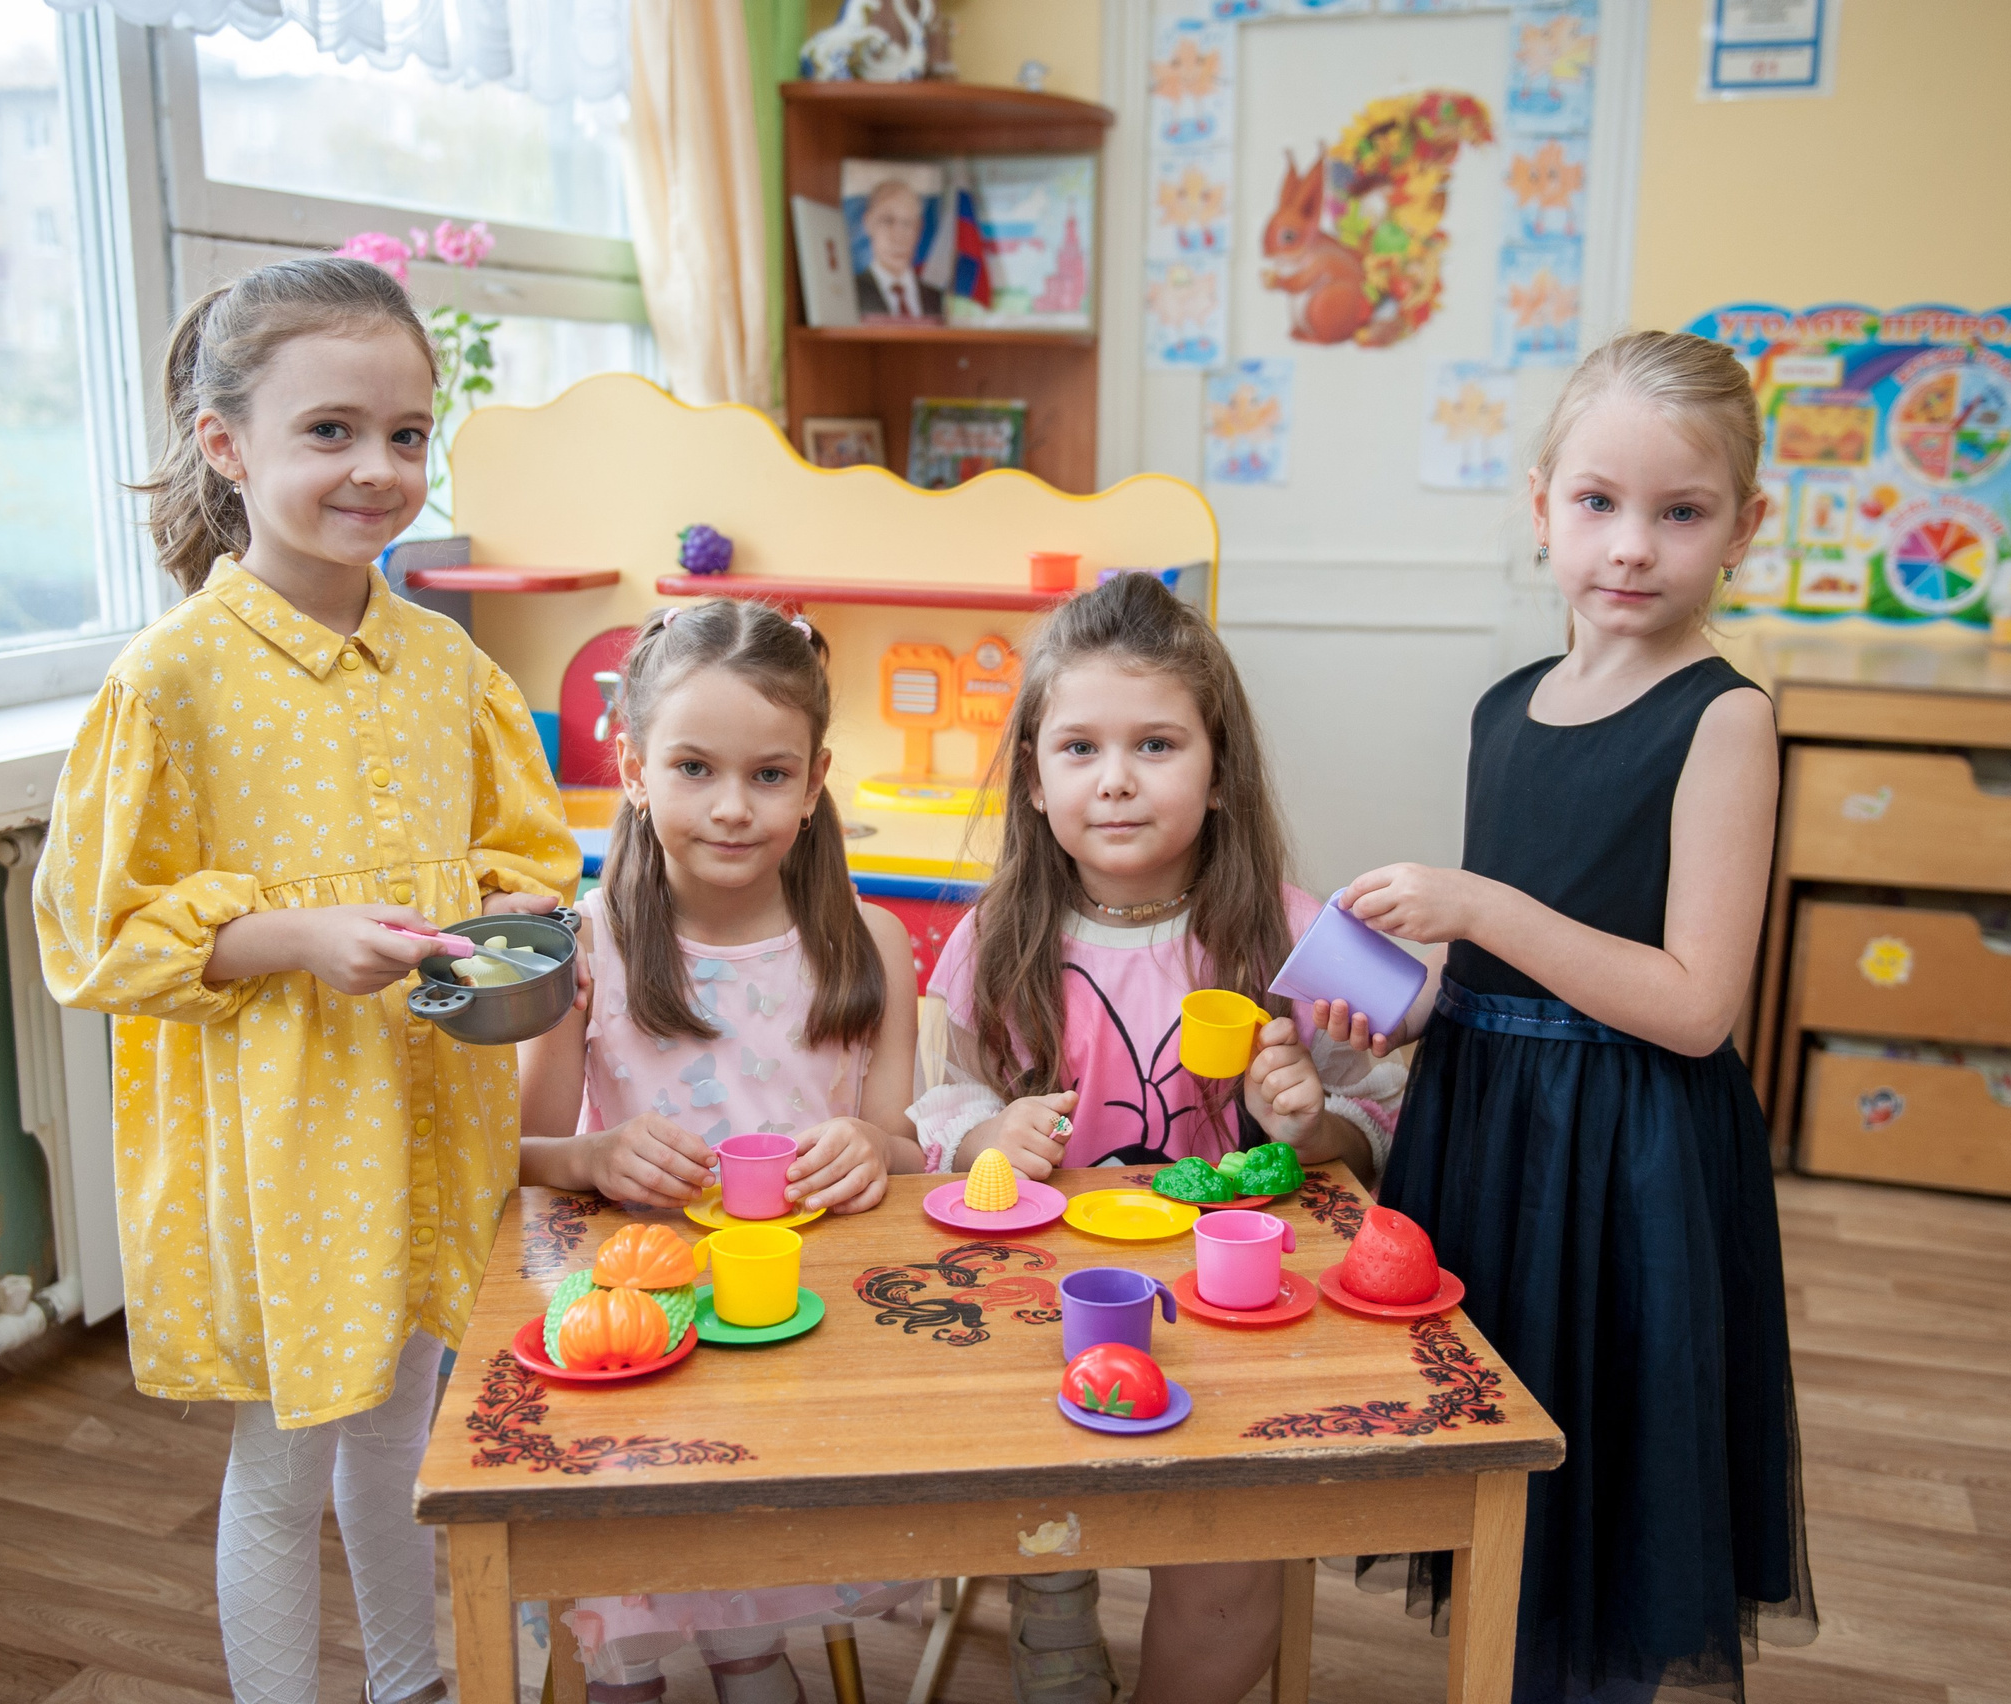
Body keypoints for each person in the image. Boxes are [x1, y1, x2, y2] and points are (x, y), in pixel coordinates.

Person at [37, 256, 579, 1704]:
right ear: (227, 445)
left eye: (406, 435)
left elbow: (524, 848)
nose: (378, 469)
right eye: (330, 431)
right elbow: (97, 936)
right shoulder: (171, 683)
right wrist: (292, 937)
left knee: (404, 1433)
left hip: (422, 1114)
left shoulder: (446, 667)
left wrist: (516, 909)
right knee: (284, 1466)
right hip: (280, 1145)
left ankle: (415, 1687)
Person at [1343, 329, 1817, 1702]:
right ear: (1542, 500)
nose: (1631, 546)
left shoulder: (1722, 721)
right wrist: (1416, 1000)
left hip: (1631, 1157)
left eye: (1682, 513)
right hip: (1490, 1132)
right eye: (1599, 504)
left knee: (1611, 1465)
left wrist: (1480, 907)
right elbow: (1512, 972)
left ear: (1746, 526)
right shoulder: (1505, 707)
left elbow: (1693, 1006)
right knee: (1508, 1444)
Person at [907, 571, 1402, 1704]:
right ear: (1031, 778)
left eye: (1157, 746)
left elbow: (1379, 1104)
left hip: (1239, 1312)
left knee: (1234, 1555)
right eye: (1077, 748)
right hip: (1036, 1304)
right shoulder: (993, 938)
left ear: (1220, 771)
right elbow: (937, 1103)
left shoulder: (1288, 927)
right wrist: (989, 1131)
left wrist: (1311, 1124)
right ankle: (1050, 1600)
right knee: (1026, 1480)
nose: (1116, 781)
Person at [519, 597, 927, 1703]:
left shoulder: (872, 943)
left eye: (769, 775)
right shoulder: (584, 947)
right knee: (625, 1644)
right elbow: (526, 1153)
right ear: (634, 767)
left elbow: (904, 1144)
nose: (733, 809)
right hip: (634, 1345)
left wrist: (869, 1148)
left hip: (796, 1334)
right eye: (694, 768)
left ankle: (753, 1654)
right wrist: (594, 1154)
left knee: (753, 1634)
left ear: (816, 778)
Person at [854, 177, 943, 321]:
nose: (898, 237)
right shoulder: (851, 293)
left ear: (919, 228)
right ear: (868, 223)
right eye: (888, 221)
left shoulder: (937, 297)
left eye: (907, 223)